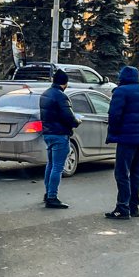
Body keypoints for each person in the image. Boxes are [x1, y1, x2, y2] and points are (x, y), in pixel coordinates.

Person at [104, 66, 139, 219]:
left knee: (122, 173)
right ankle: (134, 206)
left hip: (126, 138)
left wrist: (114, 133)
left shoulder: (120, 92)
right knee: (136, 174)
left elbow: (114, 114)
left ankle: (122, 207)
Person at [40, 69, 81, 209]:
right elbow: (69, 117)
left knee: (50, 165)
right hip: (60, 135)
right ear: (65, 83)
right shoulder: (61, 96)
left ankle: (47, 193)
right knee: (57, 167)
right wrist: (77, 122)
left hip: (48, 134)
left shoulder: (45, 94)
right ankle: (52, 197)